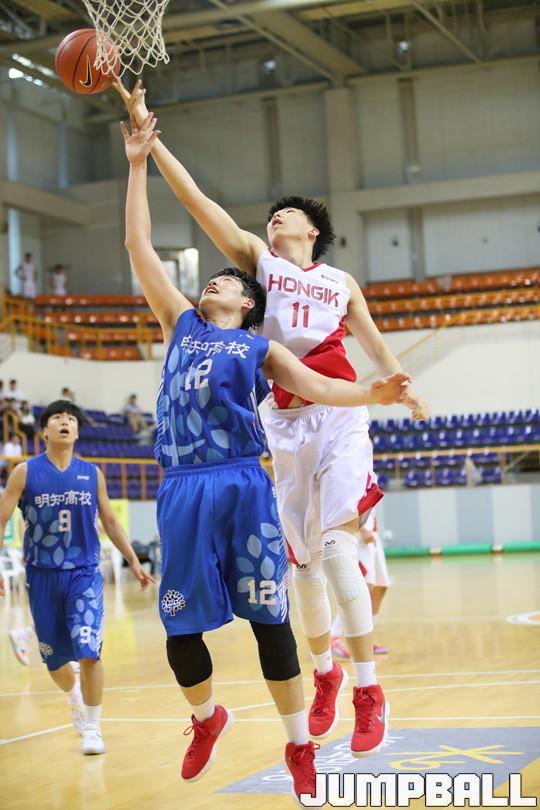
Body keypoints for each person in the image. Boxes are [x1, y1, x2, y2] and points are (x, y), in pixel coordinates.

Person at [115, 80, 429, 758]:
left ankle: (367, 689)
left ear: (310, 229)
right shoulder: (255, 268)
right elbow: (196, 202)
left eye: (284, 214)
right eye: (270, 217)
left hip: (336, 409)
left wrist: (399, 388)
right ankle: (323, 673)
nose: (273, 219)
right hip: (282, 423)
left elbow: (375, 347)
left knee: (338, 552)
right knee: (303, 567)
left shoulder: (341, 282)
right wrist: (149, 142)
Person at [0, 400, 155, 755]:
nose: (65, 422)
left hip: (84, 574)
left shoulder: (92, 473)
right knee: (55, 659)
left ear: (78, 431)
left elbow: (110, 521)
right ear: (44, 431)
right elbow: (2, 517)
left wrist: (133, 560)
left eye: (71, 419)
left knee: (89, 651)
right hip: (42, 575)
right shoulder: (24, 472)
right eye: (57, 418)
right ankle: (75, 700)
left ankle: (93, 728)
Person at [330, 509, 391, 658]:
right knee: (359, 591)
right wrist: (362, 528)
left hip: (372, 532)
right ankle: (333, 636)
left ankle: (366, 639)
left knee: (381, 586)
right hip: (359, 534)